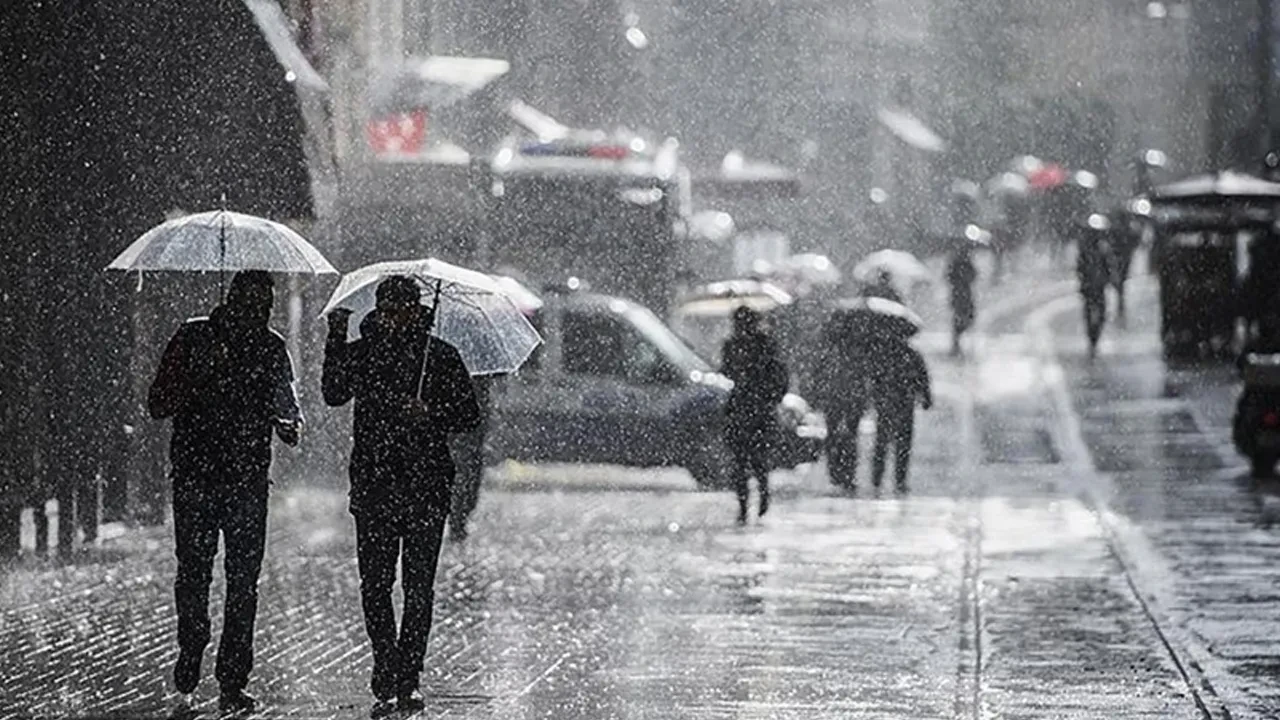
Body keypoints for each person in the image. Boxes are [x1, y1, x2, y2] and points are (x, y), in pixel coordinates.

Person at [322, 276, 481, 717]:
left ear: (416, 310)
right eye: (387, 310)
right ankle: (384, 660)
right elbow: (333, 393)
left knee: (418, 588)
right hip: (374, 484)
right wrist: (336, 338)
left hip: (426, 485)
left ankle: (408, 673)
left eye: (401, 310)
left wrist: (430, 411)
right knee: (375, 585)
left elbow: (468, 415)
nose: (393, 319)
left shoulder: (440, 357)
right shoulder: (365, 351)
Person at [147, 270, 301, 714]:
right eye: (252, 304)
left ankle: (233, 677)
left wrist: (288, 425)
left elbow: (287, 407)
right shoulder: (192, 338)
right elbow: (157, 402)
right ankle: (193, 642)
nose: (259, 313)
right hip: (197, 477)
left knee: (242, 583)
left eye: (265, 306)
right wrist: (199, 378)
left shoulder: (271, 348)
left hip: (248, 481)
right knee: (194, 572)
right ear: (231, 300)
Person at [720, 306, 789, 525]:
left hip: (758, 409)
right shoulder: (732, 345)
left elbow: (779, 376)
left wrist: (768, 396)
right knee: (741, 462)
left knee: (757, 461)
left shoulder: (765, 345)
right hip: (741, 409)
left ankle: (762, 497)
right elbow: (726, 371)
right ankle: (744, 505)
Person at [815, 311, 872, 489]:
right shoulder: (859, 348)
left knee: (833, 435)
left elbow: (819, 373)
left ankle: (836, 472)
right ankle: (847, 473)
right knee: (850, 437)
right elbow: (865, 375)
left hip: (834, 398)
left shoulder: (829, 347)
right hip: (851, 399)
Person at [867, 335, 932, 490]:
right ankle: (899, 480)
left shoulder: (882, 354)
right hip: (904, 404)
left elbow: (873, 379)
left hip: (886, 404)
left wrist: (875, 396)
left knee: (882, 442)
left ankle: (877, 478)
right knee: (902, 443)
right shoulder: (912, 354)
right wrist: (926, 397)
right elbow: (922, 379)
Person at [448, 374, 492, 541]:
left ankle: (458, 516)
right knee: (464, 479)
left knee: (469, 480)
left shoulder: (482, 380)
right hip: (460, 439)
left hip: (471, 440)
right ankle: (457, 517)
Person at [1077, 224, 1112, 358]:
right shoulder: (1086, 248)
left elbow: (1108, 266)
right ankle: (1092, 338)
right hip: (1091, 287)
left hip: (1097, 287)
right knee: (1092, 313)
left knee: (1099, 313)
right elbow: (1080, 267)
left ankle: (1094, 337)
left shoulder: (1103, 248)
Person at [946, 245, 978, 356]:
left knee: (964, 318)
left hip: (962, 295)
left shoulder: (962, 264)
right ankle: (957, 343)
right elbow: (950, 277)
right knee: (961, 319)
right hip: (960, 295)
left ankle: (957, 342)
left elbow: (973, 276)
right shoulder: (958, 264)